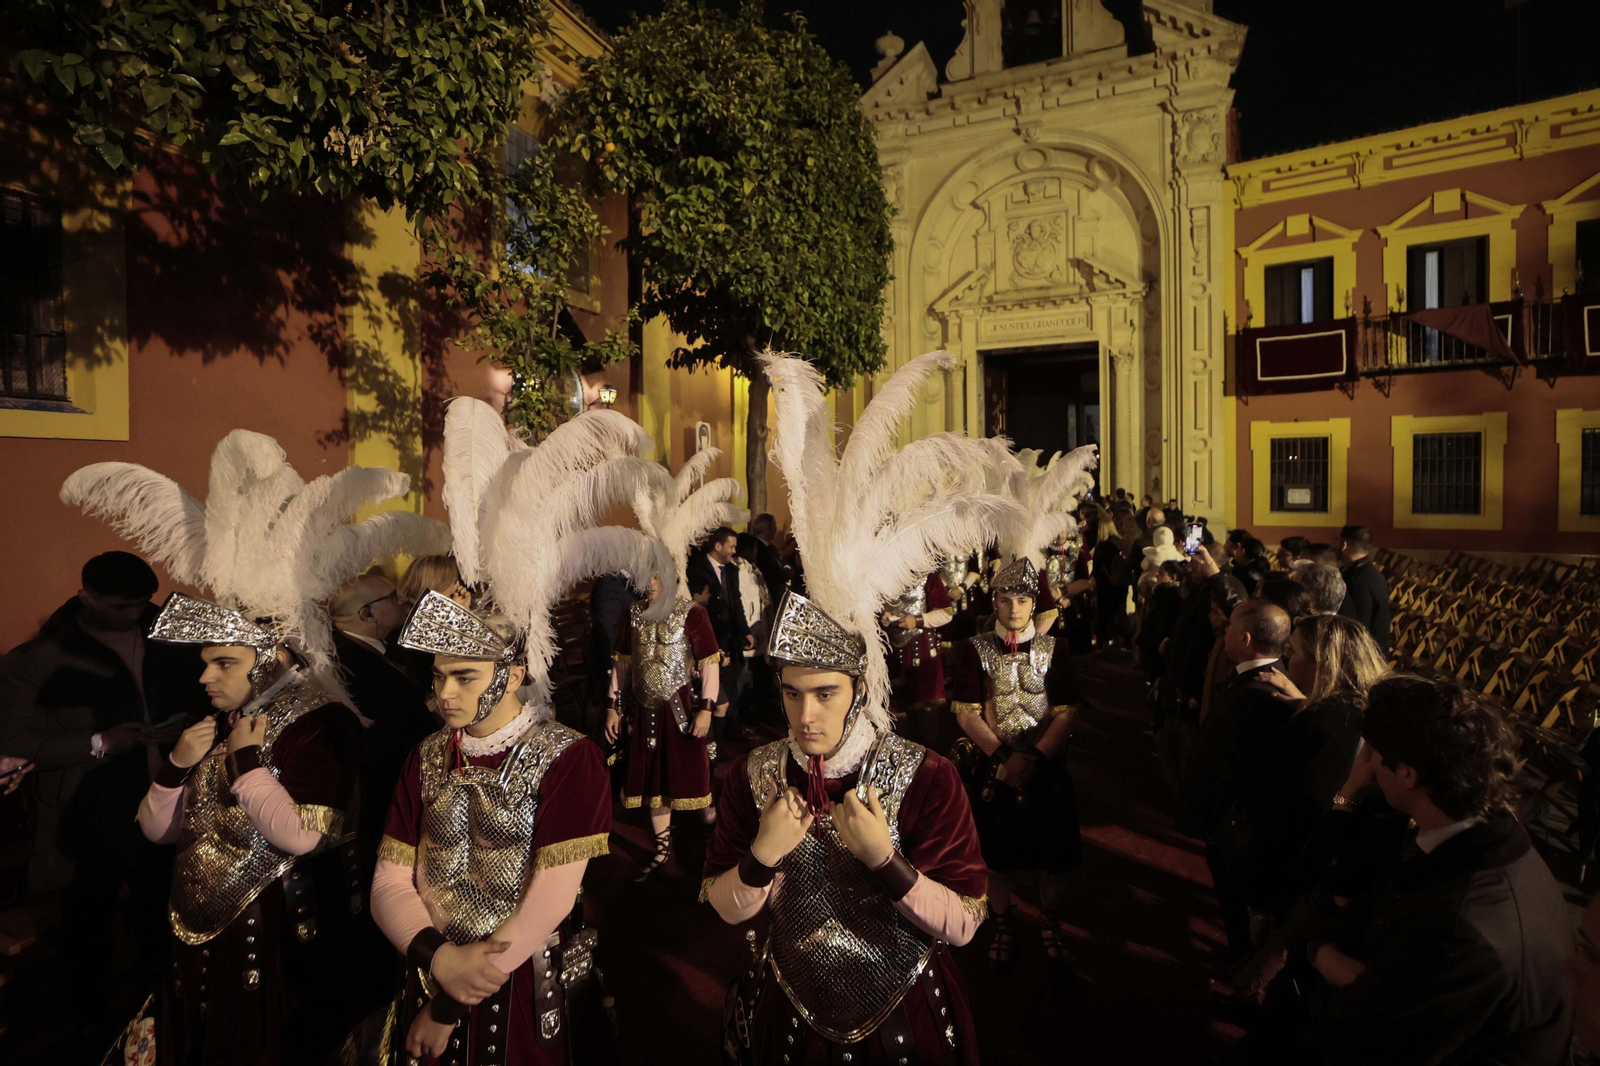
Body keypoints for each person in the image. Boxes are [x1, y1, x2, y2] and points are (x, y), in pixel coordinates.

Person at [62, 430, 444, 1065]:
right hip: (198, 933)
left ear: (267, 660)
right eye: (205, 663)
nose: (205, 676)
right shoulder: (212, 720)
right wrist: (177, 768)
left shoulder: (323, 723)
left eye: (221, 662)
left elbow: (306, 837)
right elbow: (158, 832)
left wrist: (244, 763)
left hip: (278, 941)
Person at [705, 350, 996, 1064]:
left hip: (904, 1018)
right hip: (791, 1015)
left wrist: (886, 862)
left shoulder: (927, 778)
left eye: (826, 695)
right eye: (793, 694)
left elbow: (963, 923)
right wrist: (760, 860)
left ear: (859, 692)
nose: (808, 715)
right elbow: (717, 904)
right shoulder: (753, 774)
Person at [365, 396, 653, 1066]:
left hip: (520, 983)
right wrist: (437, 960)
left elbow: (551, 898)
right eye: (437, 675)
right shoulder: (426, 757)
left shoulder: (568, 760)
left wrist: (452, 997)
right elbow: (389, 881)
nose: (443, 693)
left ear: (515, 672)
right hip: (430, 967)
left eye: (463, 676)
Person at [1300, 675, 1571, 1065]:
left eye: (1374, 751)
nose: (1369, 762)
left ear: (1408, 773)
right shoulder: (1490, 840)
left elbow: (1367, 1035)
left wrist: (1319, 951)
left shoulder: (1459, 926)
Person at [0, 551, 208, 1046]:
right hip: (87, 820)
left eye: (142, 604)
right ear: (85, 596)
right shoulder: (37, 659)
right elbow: (15, 741)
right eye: (119, 607)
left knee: (162, 927)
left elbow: (201, 695)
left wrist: (183, 725)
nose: (134, 614)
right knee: (87, 935)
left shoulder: (168, 636)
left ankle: (164, 1021)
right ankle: (93, 1033)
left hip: (165, 808)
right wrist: (99, 743)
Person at [608, 452, 743, 880]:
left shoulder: (691, 614)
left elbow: (709, 664)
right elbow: (621, 667)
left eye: (655, 572)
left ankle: (712, 836)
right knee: (652, 784)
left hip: (682, 709)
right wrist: (613, 706)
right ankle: (663, 847)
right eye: (643, 572)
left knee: (693, 780)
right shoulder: (632, 616)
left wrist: (706, 708)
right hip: (644, 712)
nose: (648, 580)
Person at [947, 558, 1083, 975]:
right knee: (995, 858)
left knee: (1055, 858)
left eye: (1022, 599)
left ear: (1034, 603)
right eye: (1004, 600)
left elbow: (1066, 711)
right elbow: (967, 711)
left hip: (1045, 768)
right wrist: (1006, 757)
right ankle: (1003, 923)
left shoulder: (1056, 648)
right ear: (995, 602)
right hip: (995, 769)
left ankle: (1049, 921)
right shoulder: (974, 648)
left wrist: (1036, 757)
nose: (1013, 608)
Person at [1245, 615, 1387, 919]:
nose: (1285, 657)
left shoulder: (1317, 726)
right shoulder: (1364, 711)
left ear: (1321, 663)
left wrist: (1261, 903)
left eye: (1293, 652)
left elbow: (1290, 820)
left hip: (1299, 884)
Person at [1179, 597, 1292, 958]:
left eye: (1229, 627)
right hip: (1231, 822)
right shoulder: (1263, 679)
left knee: (1236, 908)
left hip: (1234, 827)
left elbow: (1234, 766)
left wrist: (1208, 818)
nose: (1224, 631)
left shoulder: (1261, 693)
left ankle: (1242, 970)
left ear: (1244, 640)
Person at [328, 572, 436, 868]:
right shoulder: (350, 667)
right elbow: (402, 728)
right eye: (392, 596)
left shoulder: (369, 645)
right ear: (367, 613)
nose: (402, 600)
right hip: (387, 797)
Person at [689, 526, 753, 743]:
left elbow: (737, 603)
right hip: (711, 643)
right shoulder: (696, 570)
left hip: (731, 640)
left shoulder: (731, 571)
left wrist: (745, 631)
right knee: (717, 695)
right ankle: (715, 743)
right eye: (731, 546)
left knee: (732, 688)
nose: (734, 551)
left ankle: (727, 734)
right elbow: (698, 611)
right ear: (718, 546)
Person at [1337, 525, 1391, 656]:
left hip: (1366, 655)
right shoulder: (1368, 572)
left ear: (1344, 545)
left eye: (1337, 541)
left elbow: (1358, 625)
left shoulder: (1360, 580)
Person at [1092, 505, 1131, 648]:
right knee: (1121, 612)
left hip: (1106, 584)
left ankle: (1103, 640)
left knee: (1104, 613)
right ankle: (1128, 641)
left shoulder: (1101, 547)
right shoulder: (1123, 544)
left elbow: (1097, 568)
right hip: (1122, 582)